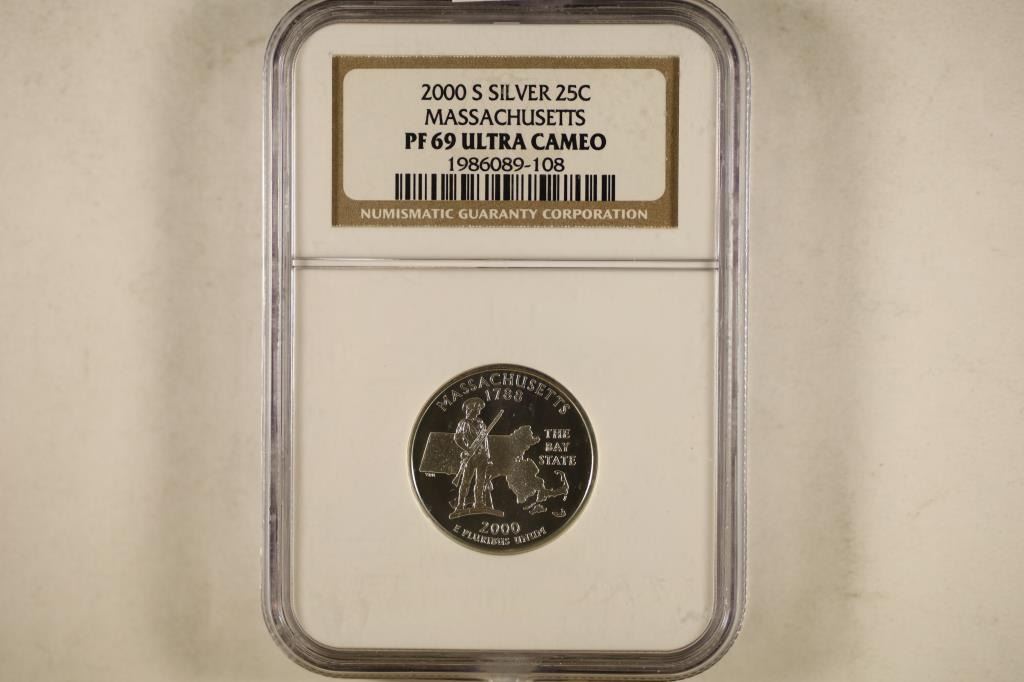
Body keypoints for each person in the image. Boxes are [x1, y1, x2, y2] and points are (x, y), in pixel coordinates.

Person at [451, 397, 496, 516]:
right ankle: (460, 504)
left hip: (482, 456)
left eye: (479, 408)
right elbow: (457, 439)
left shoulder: (481, 423)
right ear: (471, 409)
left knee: (481, 481)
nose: (479, 410)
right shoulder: (463, 423)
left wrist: (488, 456)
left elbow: (485, 440)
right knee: (465, 481)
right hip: (470, 457)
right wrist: (467, 450)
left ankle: (479, 503)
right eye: (477, 407)